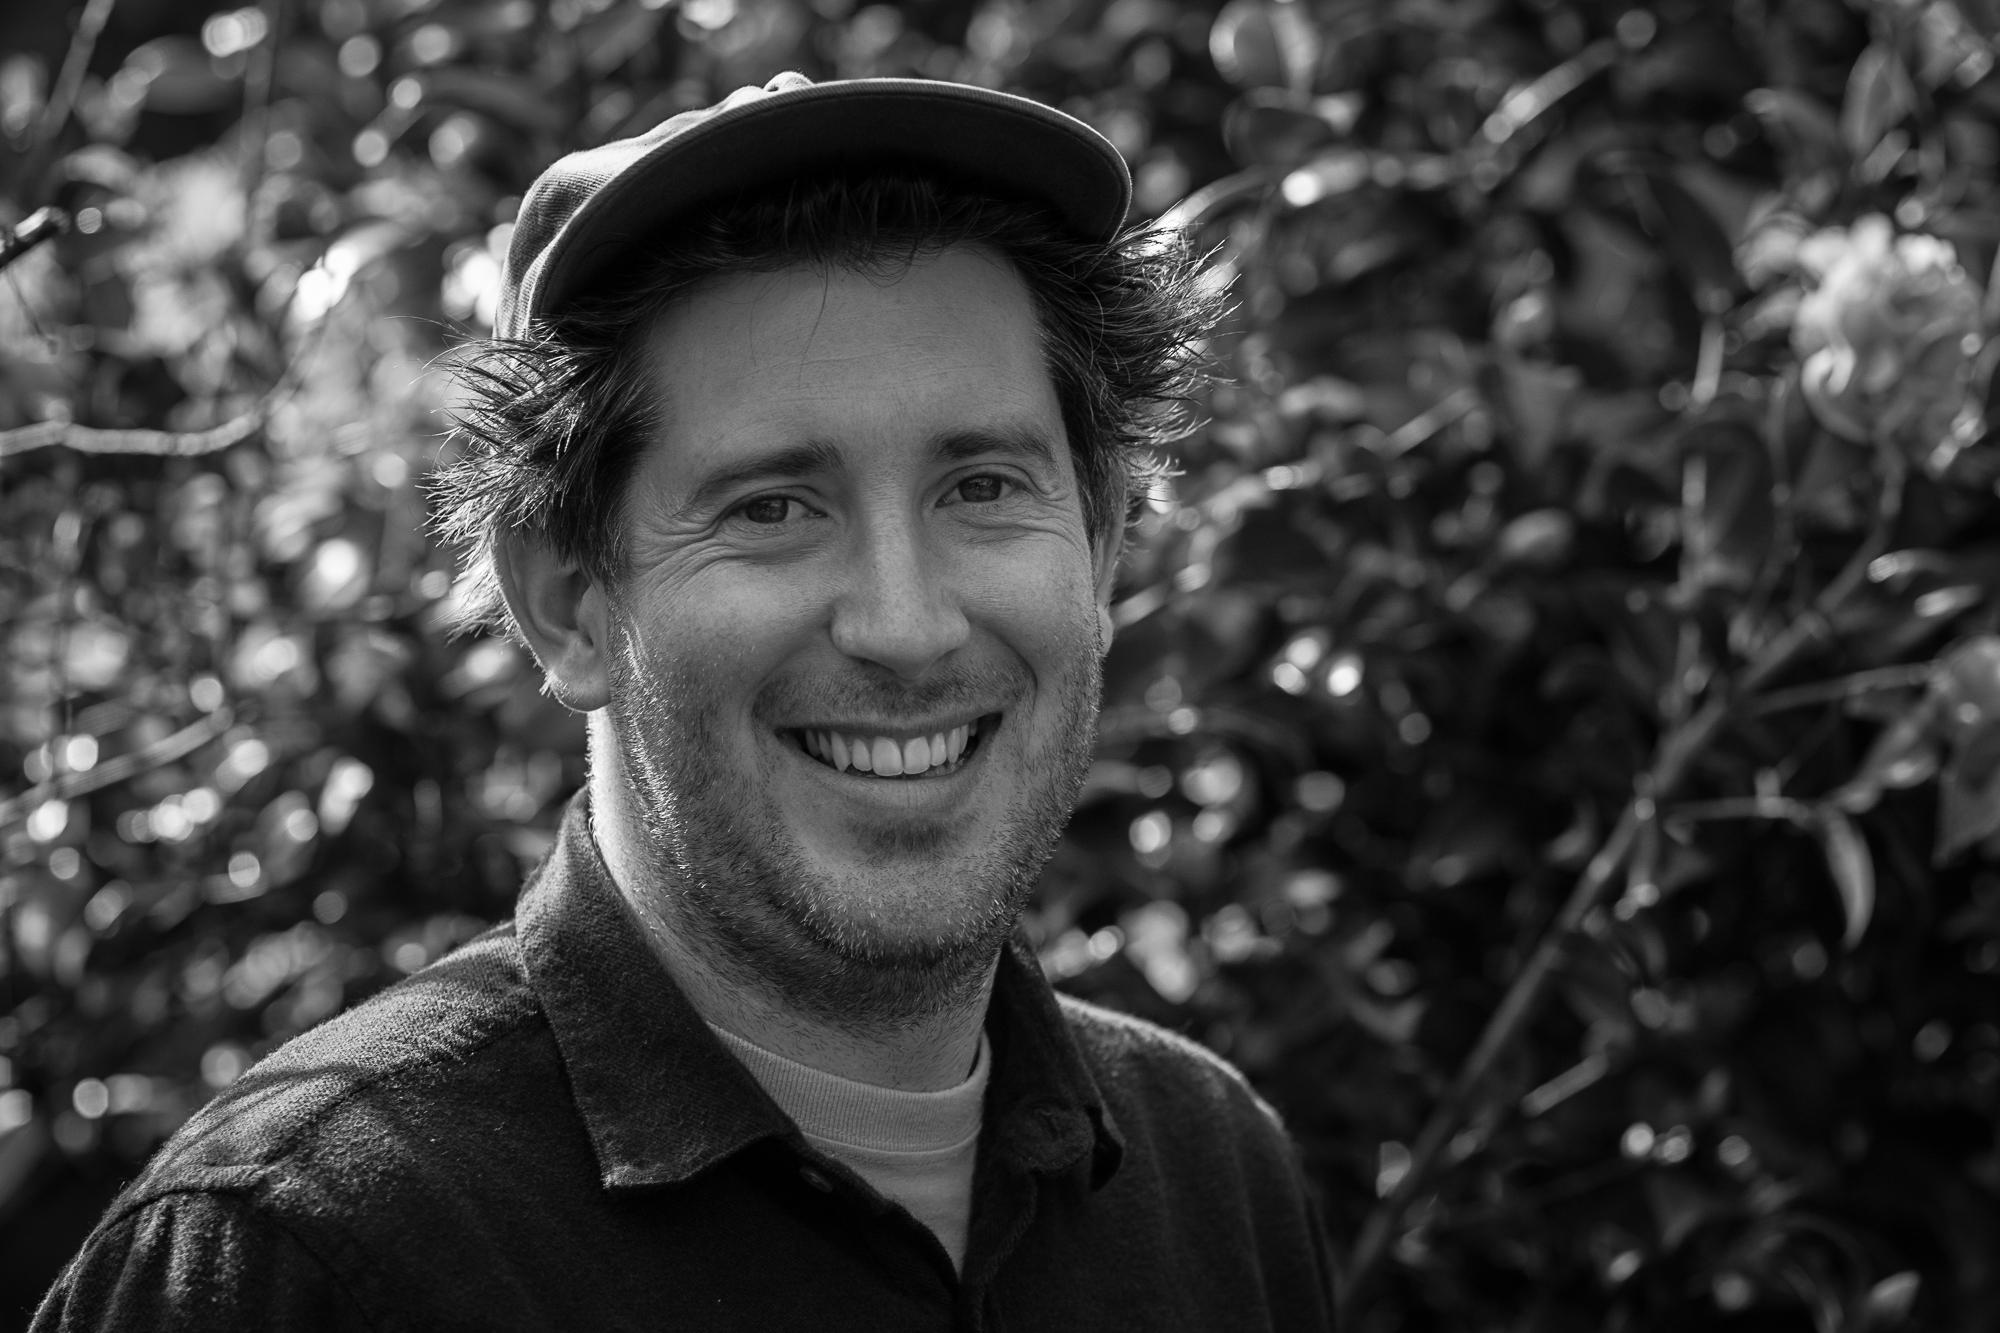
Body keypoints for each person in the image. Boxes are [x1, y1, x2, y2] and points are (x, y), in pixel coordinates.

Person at [34, 74, 1337, 1331]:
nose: (904, 626)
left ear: (1100, 549)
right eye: (772, 507)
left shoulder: (1217, 1181)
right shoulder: (296, 1258)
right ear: (567, 603)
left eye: (982, 488)